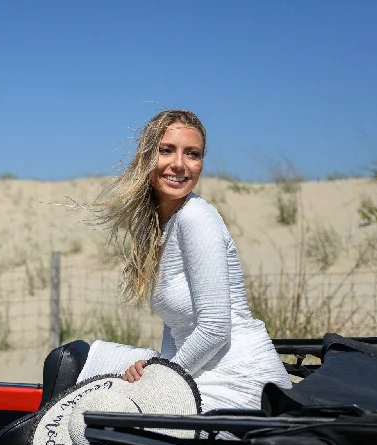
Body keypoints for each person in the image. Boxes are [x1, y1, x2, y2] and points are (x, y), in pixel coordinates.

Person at [88, 109, 292, 412]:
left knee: (106, 414)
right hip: (201, 371)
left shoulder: (197, 217)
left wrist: (161, 377)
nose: (180, 165)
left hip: (243, 383)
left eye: (192, 154)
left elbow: (215, 328)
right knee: (79, 361)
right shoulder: (163, 225)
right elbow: (175, 327)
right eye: (166, 150)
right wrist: (162, 367)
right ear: (147, 156)